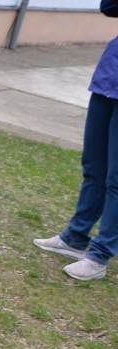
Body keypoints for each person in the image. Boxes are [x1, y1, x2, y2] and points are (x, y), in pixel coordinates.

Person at [33, 0, 118, 281]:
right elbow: (108, 7)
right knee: (94, 166)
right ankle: (75, 238)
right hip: (109, 79)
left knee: (116, 178)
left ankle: (99, 255)